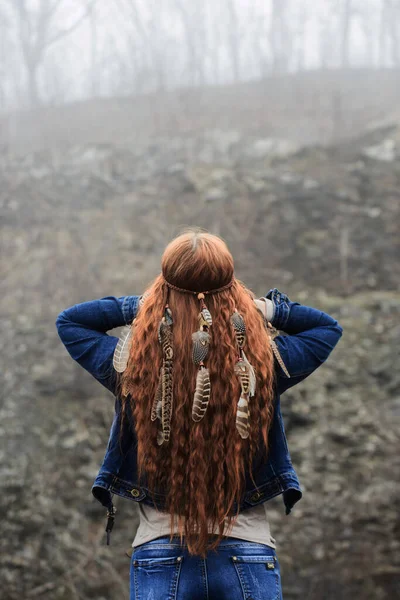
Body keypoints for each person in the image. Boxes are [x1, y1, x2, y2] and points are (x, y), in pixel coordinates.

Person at [55, 229, 343, 600]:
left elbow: (71, 322)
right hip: (248, 554)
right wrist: (265, 308)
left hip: (159, 553)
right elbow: (325, 329)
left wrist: (145, 306)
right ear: (231, 289)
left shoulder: (132, 366)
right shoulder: (262, 364)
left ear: (163, 287)